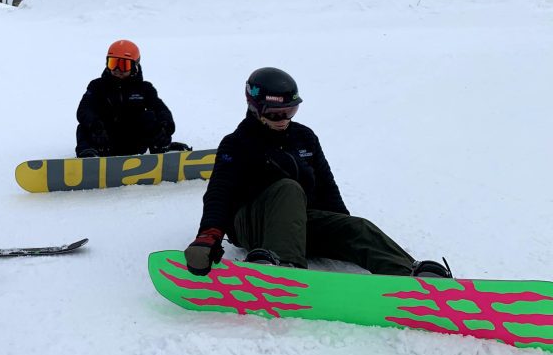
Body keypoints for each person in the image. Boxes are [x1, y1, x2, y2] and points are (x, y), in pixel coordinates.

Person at [184, 67, 452, 279]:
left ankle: (409, 275)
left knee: (357, 227)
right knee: (287, 187)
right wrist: (208, 237)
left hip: (298, 222)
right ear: (255, 109)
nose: (284, 120)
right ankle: (285, 267)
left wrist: (342, 229)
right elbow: (220, 193)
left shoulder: (304, 137)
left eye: (290, 111)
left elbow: (327, 187)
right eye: (276, 114)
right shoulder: (237, 143)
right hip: (254, 225)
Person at [75, 39, 184, 158]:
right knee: (84, 126)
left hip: (134, 143)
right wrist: (96, 126)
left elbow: (160, 109)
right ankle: (88, 157)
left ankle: (161, 152)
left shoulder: (145, 88)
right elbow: (84, 109)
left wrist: (166, 127)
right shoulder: (97, 86)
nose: (117, 69)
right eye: (113, 63)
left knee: (150, 117)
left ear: (134, 66)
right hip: (104, 143)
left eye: (123, 65)